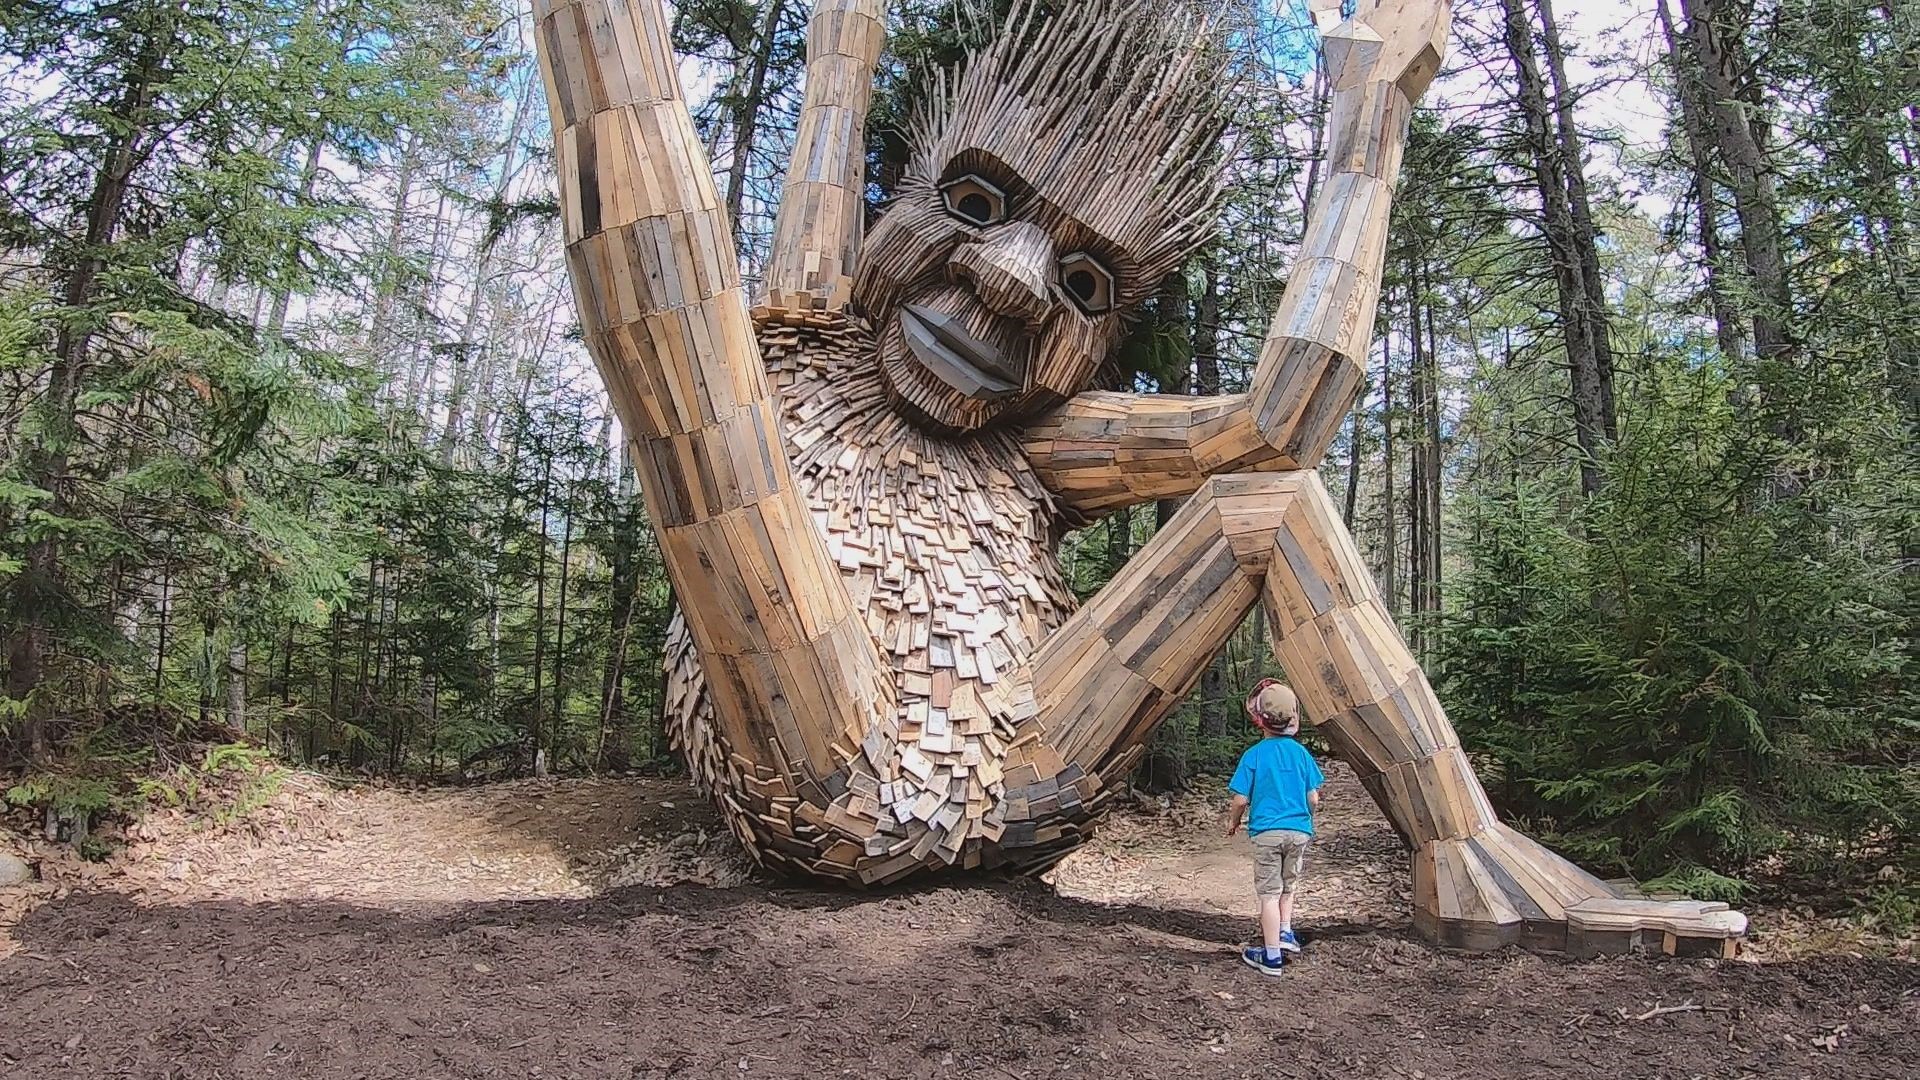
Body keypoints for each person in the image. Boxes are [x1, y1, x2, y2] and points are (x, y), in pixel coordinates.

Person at [1224, 679, 1324, 976]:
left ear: (1259, 719)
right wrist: (1304, 818)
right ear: (1293, 717)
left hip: (1267, 833)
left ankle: (1271, 957)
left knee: (1268, 892)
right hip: (1299, 832)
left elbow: (1240, 799)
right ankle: (1285, 933)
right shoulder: (1302, 754)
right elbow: (1314, 798)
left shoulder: (1253, 755)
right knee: (1288, 884)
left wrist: (1234, 822)